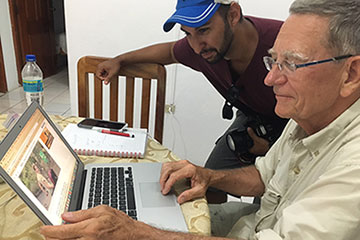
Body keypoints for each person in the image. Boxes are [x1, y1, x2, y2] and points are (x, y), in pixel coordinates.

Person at [40, 0, 360, 239]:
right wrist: (209, 176)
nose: (270, 78)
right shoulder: (309, 108)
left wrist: (140, 233)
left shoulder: (351, 166)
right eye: (273, 61)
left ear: (351, 73)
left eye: (291, 63)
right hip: (256, 209)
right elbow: (267, 175)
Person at [95, 0, 288, 203]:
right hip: (254, 118)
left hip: (299, 126)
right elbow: (170, 52)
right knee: (208, 183)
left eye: (203, 30)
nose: (196, 47)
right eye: (188, 33)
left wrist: (273, 149)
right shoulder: (207, 48)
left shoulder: (282, 42)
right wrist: (120, 60)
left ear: (233, 14)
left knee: (272, 201)